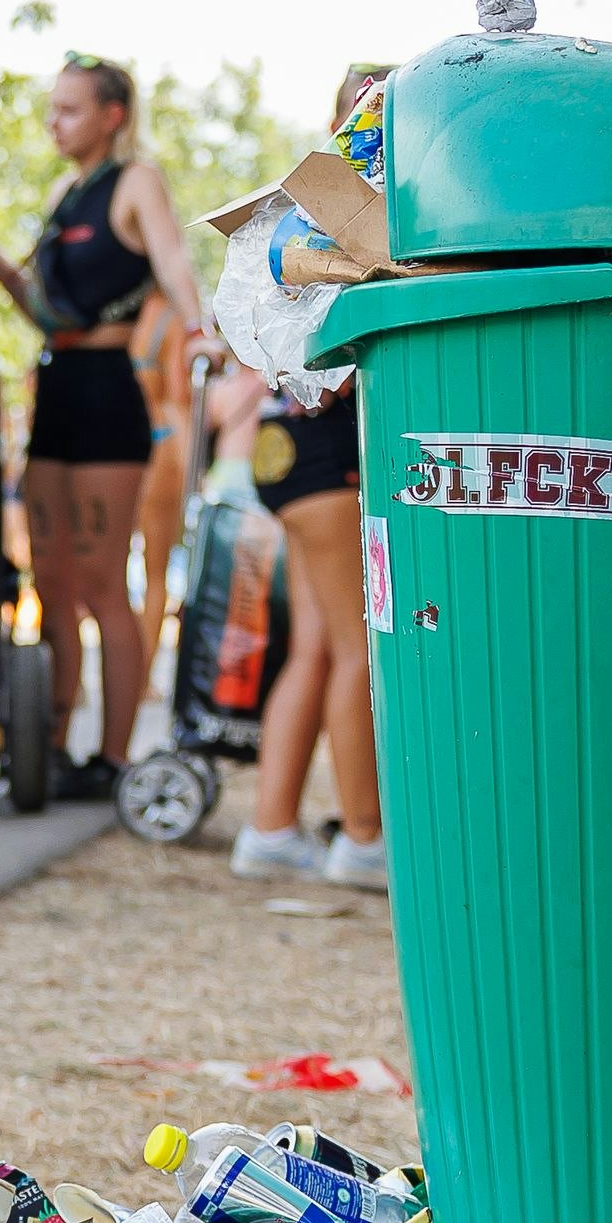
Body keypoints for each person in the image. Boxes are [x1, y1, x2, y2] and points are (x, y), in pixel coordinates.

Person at [0, 57, 206, 801]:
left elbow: (172, 262)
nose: (54, 122)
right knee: (50, 582)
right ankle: (50, 743)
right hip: (55, 382)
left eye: (69, 109)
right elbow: (43, 308)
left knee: (101, 582)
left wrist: (198, 329)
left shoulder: (137, 182)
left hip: (106, 392)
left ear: (112, 115)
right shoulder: (64, 192)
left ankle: (115, 757)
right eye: (52, 108)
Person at [227, 363, 387, 887]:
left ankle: (270, 834)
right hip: (327, 452)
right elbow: (334, 372)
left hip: (283, 445)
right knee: (357, 652)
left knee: (314, 652)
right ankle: (365, 839)